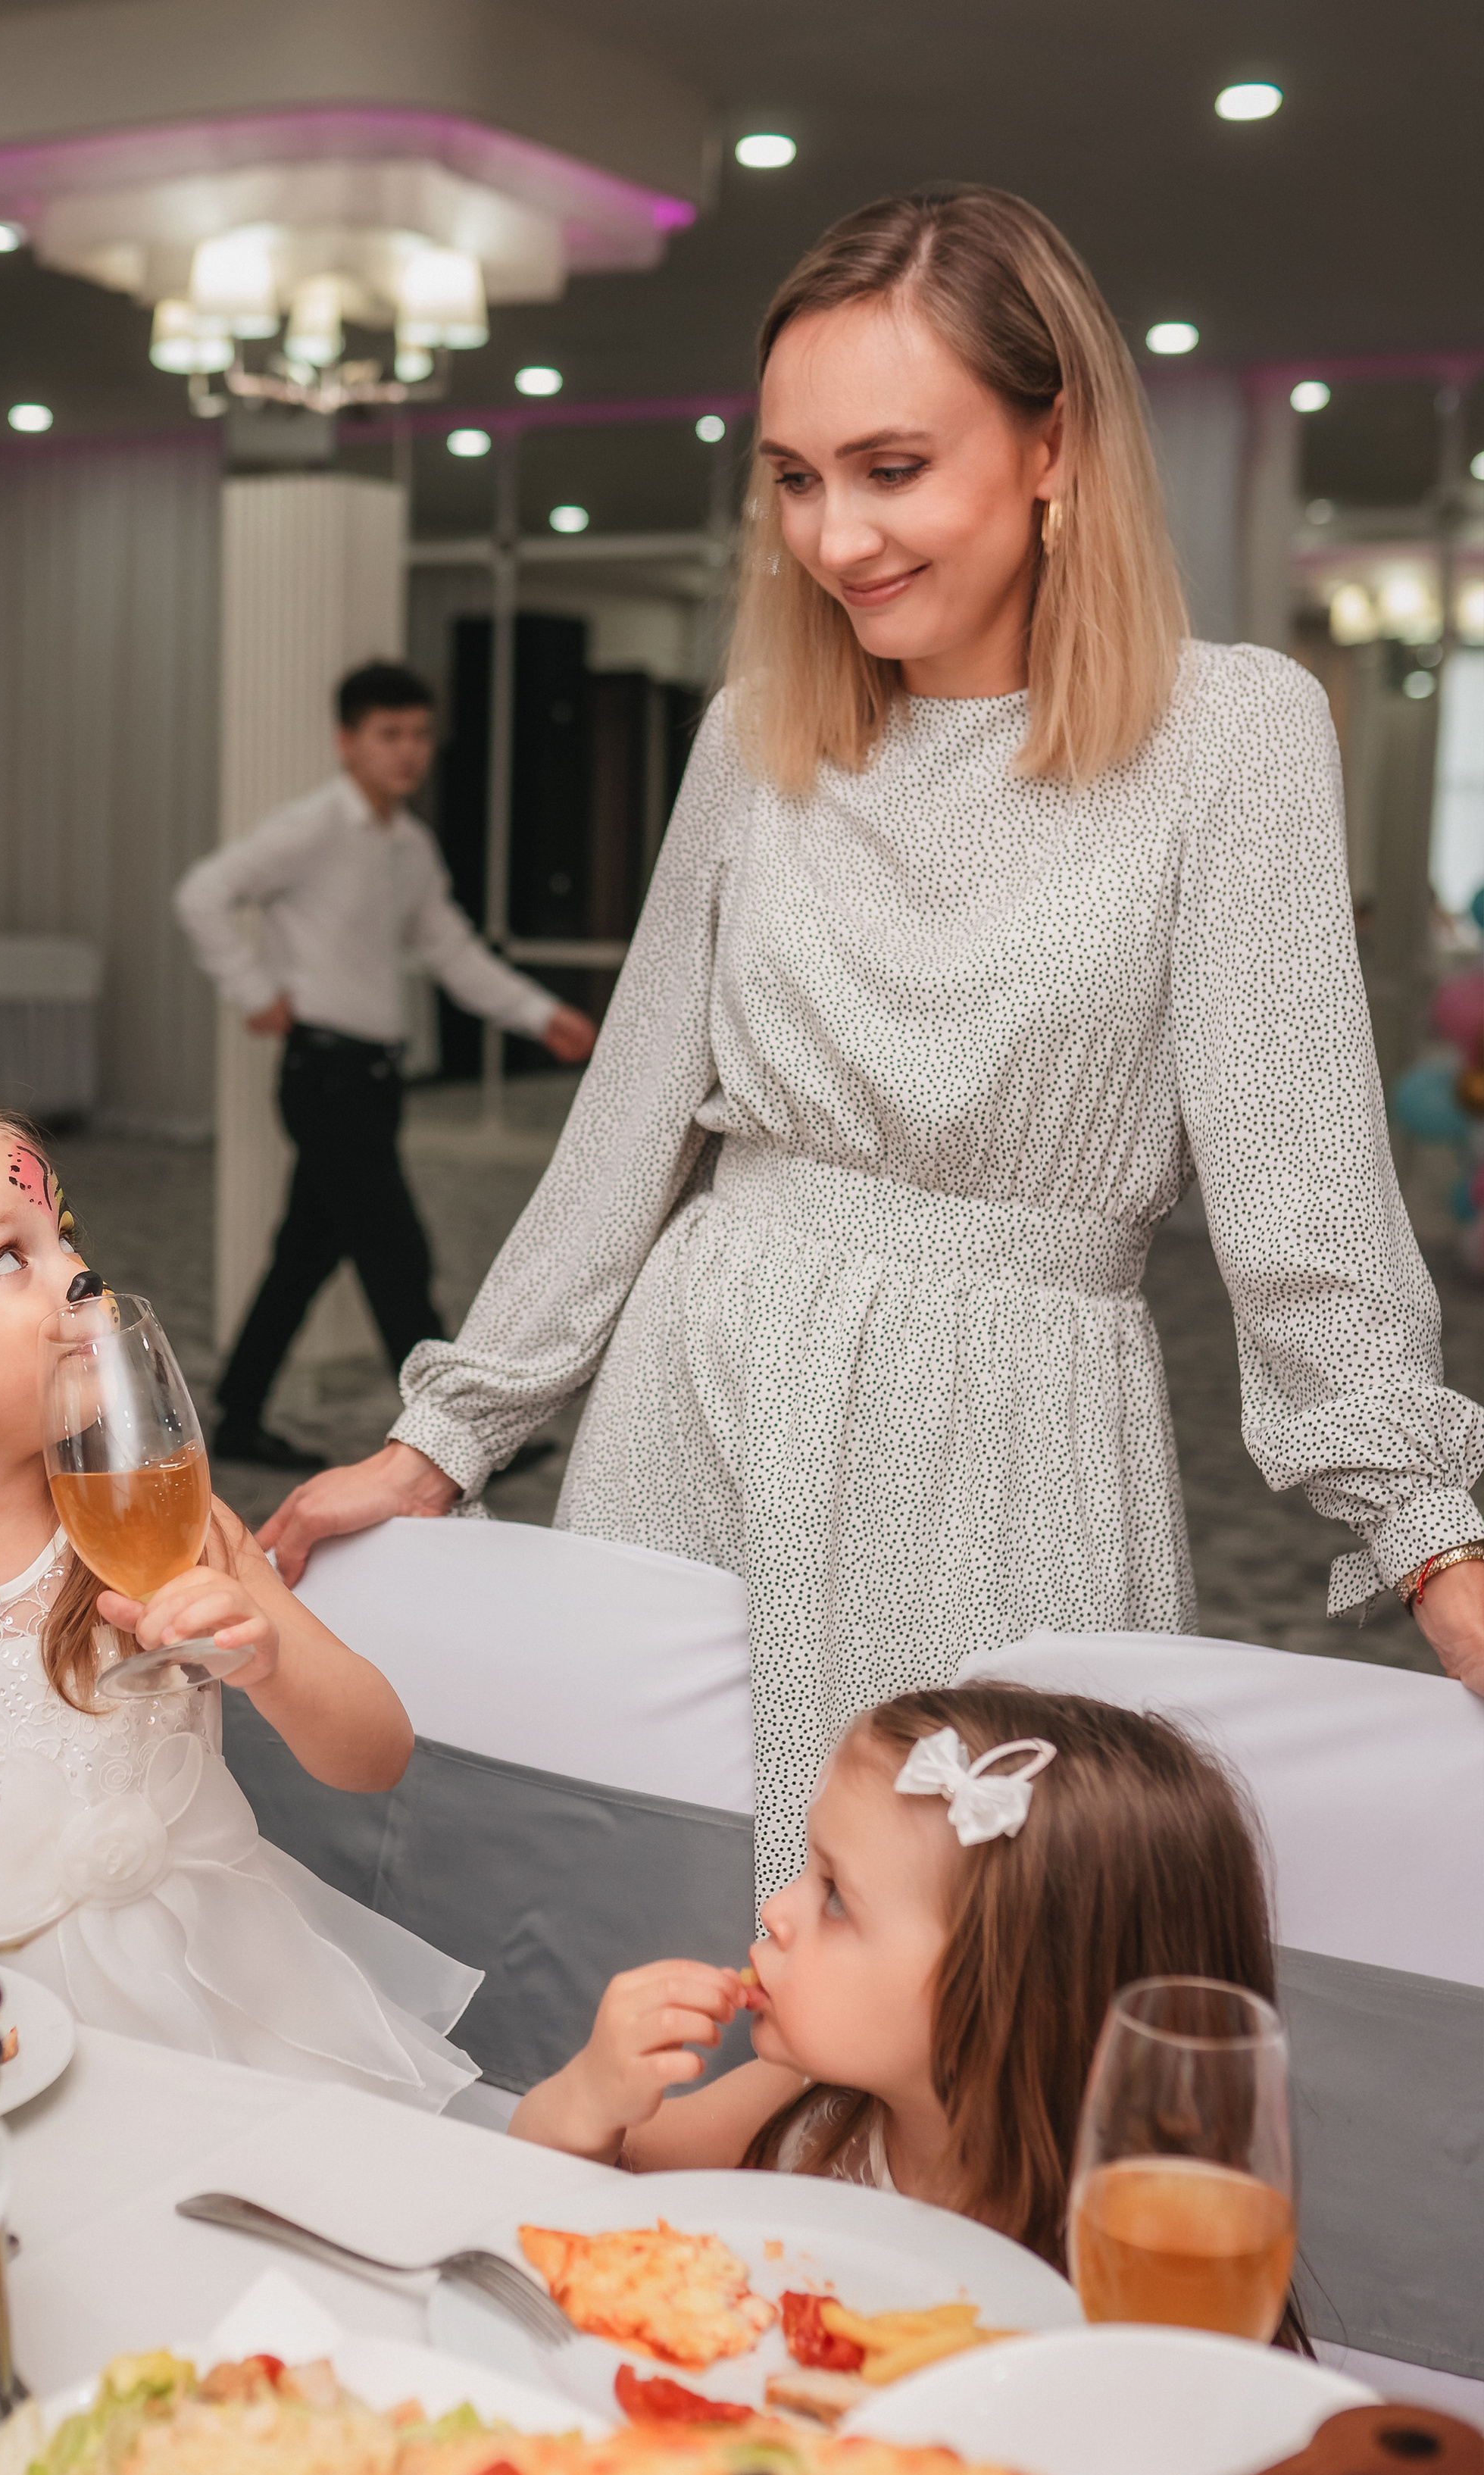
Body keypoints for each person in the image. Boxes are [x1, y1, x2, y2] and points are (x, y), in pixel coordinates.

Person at [262, 186, 1484, 1908]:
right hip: (703, 1380)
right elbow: (621, 1134)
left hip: (1002, 1422)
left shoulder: (1231, 737)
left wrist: (1430, 1528)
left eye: (890, 467)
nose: (832, 536)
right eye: (791, 475)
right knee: (649, 1930)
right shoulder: (751, 732)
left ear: (1049, 439)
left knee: (975, 1966)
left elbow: (1301, 1194)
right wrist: (445, 1433)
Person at [0, 1096, 482, 2110]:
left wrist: (269, 1665)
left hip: (216, 2009)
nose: (78, 1271)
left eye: (63, 1231)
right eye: (9, 1258)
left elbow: (378, 1754)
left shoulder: (163, 1526)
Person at [510, 1683, 1279, 2280]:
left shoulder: (1134, 2249)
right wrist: (587, 2102)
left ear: (1011, 1994)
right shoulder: (805, 2105)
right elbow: (576, 2201)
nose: (777, 1910)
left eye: (836, 1897)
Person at [176, 660, 598, 1471]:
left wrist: (539, 1015)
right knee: (397, 1257)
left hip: (373, 1080)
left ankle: (235, 1417)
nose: (408, 752)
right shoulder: (311, 827)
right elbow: (204, 892)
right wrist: (253, 990)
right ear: (347, 742)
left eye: (419, 736)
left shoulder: (409, 847)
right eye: (388, 735)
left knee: (304, 1255)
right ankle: (458, 1439)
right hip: (324, 1075)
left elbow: (453, 952)